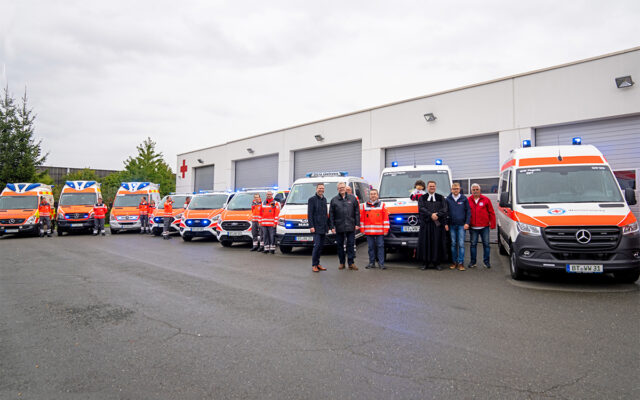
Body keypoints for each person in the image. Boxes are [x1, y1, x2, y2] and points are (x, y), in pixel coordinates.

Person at [417, 181, 448, 270]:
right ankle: (425, 263)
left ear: (435, 187)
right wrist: (431, 215)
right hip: (426, 224)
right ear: (427, 187)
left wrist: (437, 215)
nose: (432, 188)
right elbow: (421, 208)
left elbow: (445, 209)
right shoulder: (422, 198)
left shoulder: (440, 197)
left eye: (433, 186)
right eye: (430, 186)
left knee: (437, 243)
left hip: (437, 225)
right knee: (425, 243)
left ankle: (436, 263)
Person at [330, 182, 360, 270]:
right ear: (337, 189)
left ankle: (351, 263)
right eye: (339, 188)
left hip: (350, 225)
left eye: (342, 187)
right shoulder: (334, 200)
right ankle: (342, 263)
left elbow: (357, 212)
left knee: (350, 244)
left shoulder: (352, 198)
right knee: (340, 245)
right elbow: (331, 214)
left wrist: (357, 224)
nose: (341, 189)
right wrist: (332, 227)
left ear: (345, 188)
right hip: (339, 226)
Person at [468, 183, 496, 268]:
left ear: (480, 190)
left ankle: (486, 262)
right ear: (471, 191)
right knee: (473, 245)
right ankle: (473, 262)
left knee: (486, 245)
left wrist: (493, 224)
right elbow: (465, 212)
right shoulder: (468, 200)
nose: (475, 191)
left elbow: (491, 212)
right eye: (474, 190)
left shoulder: (486, 199)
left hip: (484, 227)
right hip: (473, 227)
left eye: (477, 189)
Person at [360, 188, 389, 269]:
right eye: (371, 194)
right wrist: (362, 230)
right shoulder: (365, 205)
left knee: (380, 247)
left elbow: (385, 219)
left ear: (377, 195)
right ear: (369, 196)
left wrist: (386, 230)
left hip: (380, 232)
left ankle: (381, 264)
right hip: (369, 232)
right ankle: (371, 263)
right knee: (371, 248)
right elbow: (362, 219)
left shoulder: (382, 205)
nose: (373, 195)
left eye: (374, 194)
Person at [445, 183, 470, 271]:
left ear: (460, 189)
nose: (455, 190)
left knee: (461, 244)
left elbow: (468, 211)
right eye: (454, 189)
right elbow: (446, 212)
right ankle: (454, 262)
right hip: (451, 225)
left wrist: (467, 223)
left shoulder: (464, 199)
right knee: (453, 244)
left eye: (457, 189)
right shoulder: (448, 199)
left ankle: (461, 263)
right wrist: (446, 224)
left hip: (461, 225)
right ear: (451, 189)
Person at [308, 183, 329, 273]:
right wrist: (311, 226)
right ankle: (314, 265)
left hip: (323, 227)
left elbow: (325, 214)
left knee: (321, 246)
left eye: (322, 188)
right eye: (320, 188)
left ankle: (318, 263)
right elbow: (310, 214)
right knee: (316, 246)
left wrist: (327, 226)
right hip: (316, 227)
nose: (321, 189)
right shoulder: (312, 200)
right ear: (316, 189)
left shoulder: (324, 199)